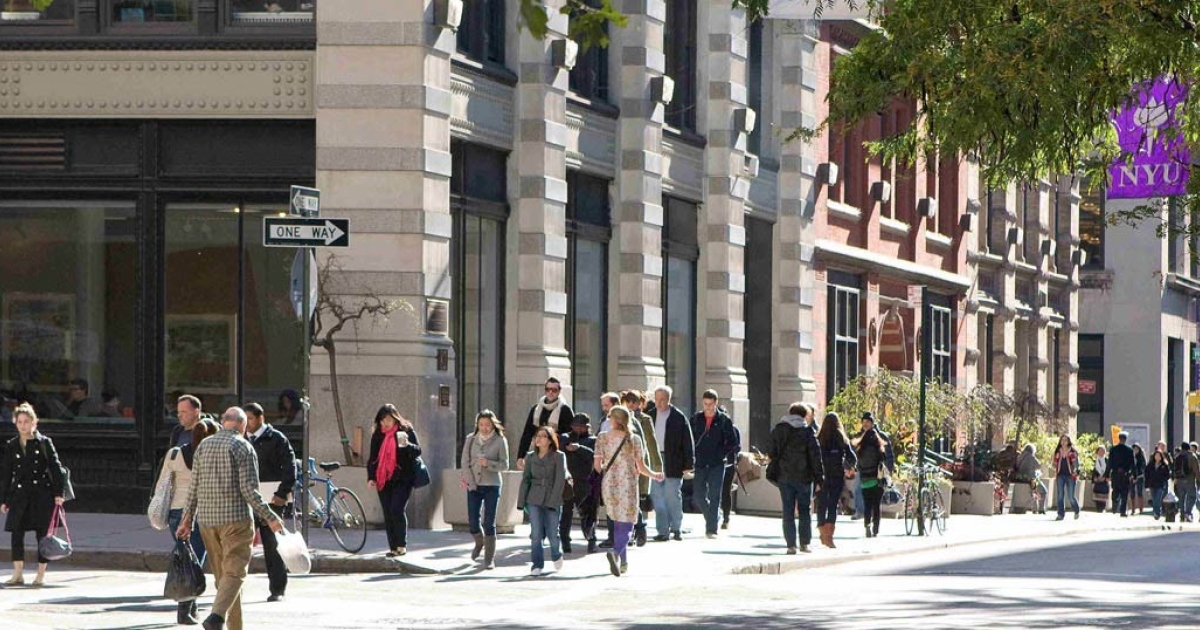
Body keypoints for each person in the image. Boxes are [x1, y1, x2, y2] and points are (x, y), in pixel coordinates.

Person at [176, 407, 283, 630]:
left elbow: (193, 487)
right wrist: (270, 517)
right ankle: (216, 617)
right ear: (243, 426)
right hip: (236, 520)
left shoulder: (204, 445)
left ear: (224, 422)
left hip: (207, 521)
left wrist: (187, 520)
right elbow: (249, 490)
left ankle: (235, 626)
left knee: (225, 579)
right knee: (235, 573)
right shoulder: (243, 446)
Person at [157, 417, 219, 623]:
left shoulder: (174, 453)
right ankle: (185, 609)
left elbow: (163, 482)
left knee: (186, 557)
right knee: (194, 560)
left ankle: (191, 606)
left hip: (176, 510)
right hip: (201, 510)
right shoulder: (213, 455)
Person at [0, 404, 66, 588]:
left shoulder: (44, 443)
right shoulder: (12, 445)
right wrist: (4, 499)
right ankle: (18, 573)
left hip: (42, 495)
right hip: (19, 495)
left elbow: (55, 468)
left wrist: (58, 494)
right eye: (19, 422)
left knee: (42, 536)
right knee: (16, 534)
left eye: (26, 422)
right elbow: (6, 474)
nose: (22, 426)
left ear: (34, 422)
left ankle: (40, 574)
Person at [593, 405, 663, 576]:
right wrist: (655, 475)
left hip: (609, 483)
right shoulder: (634, 439)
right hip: (628, 484)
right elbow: (641, 466)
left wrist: (607, 468)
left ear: (616, 419)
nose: (608, 419)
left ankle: (622, 562)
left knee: (617, 523)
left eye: (610, 416)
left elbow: (597, 466)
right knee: (627, 524)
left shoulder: (602, 438)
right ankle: (616, 553)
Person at [245, 402, 295, 602]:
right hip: (248, 499)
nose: (246, 424)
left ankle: (277, 589)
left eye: (249, 419)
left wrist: (282, 494)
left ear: (260, 418)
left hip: (272, 500)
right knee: (240, 545)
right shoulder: (242, 439)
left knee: (272, 546)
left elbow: (290, 467)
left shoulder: (276, 439)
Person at [768, 402, 824, 554]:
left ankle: (790, 545)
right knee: (804, 510)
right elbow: (815, 456)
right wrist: (820, 478)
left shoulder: (779, 429)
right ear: (804, 415)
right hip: (804, 477)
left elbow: (771, 452)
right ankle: (804, 543)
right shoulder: (807, 431)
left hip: (784, 476)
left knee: (787, 510)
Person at [366, 404, 421, 557]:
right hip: (384, 478)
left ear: (395, 418)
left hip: (403, 478)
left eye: (388, 419)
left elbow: (418, 451)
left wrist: (406, 445)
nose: (386, 423)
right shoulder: (378, 434)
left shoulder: (405, 430)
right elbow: (372, 458)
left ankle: (401, 545)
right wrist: (371, 477)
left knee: (397, 509)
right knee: (388, 512)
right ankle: (393, 547)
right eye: (382, 420)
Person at [517, 426, 569, 577]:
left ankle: (556, 554)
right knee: (536, 534)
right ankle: (537, 564)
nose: (538, 439)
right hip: (534, 498)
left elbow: (560, 479)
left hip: (552, 498)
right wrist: (521, 501)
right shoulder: (530, 456)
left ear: (550, 440)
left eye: (543, 436)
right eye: (537, 436)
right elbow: (526, 480)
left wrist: (553, 501)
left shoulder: (559, 456)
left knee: (553, 534)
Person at [459, 409, 508, 569]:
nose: (484, 428)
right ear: (477, 425)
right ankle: (479, 542)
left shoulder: (500, 440)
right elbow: (465, 463)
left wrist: (489, 464)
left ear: (493, 424)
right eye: (481, 424)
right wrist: (470, 482)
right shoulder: (470, 439)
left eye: (487, 425)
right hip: (474, 485)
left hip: (492, 485)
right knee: (473, 521)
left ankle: (489, 559)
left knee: (489, 522)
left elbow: (505, 465)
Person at [688, 390, 739, 539]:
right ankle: (714, 515)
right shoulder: (696, 419)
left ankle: (711, 529)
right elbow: (690, 439)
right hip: (700, 462)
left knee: (715, 495)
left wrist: (722, 453)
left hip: (717, 463)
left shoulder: (724, 420)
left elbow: (733, 443)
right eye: (705, 404)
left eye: (711, 404)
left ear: (716, 403)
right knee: (698, 495)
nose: (708, 407)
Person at [648, 385, 694, 542]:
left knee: (672, 495)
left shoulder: (678, 417)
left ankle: (676, 527)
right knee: (657, 496)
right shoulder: (650, 416)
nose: (659, 403)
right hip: (654, 460)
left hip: (673, 461)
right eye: (657, 399)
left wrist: (688, 464)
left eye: (662, 400)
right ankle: (662, 531)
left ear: (669, 400)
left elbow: (687, 442)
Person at [621, 389, 660, 545]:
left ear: (640, 403)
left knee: (634, 500)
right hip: (620, 467)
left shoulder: (644, 420)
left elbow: (650, 443)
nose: (631, 405)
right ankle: (631, 531)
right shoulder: (616, 417)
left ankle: (638, 528)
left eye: (635, 402)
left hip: (638, 464)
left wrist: (656, 466)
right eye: (628, 401)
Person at [516, 377, 575, 471]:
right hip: (538, 451)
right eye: (548, 389)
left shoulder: (565, 410)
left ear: (559, 391)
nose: (550, 392)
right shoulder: (536, 409)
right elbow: (527, 433)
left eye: (554, 390)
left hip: (556, 453)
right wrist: (521, 456)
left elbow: (571, 434)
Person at [816, 412, 855, 548]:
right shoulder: (841, 438)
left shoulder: (820, 438)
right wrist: (848, 467)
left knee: (821, 504)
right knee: (833, 505)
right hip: (837, 475)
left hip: (822, 475)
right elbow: (852, 457)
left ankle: (822, 531)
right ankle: (829, 536)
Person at [559, 414, 597, 554]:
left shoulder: (593, 440)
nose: (579, 429)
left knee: (588, 514)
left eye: (582, 427)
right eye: (576, 426)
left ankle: (591, 539)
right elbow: (558, 450)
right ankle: (565, 542)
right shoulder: (565, 437)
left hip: (586, 482)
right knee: (565, 514)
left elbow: (595, 456)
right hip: (568, 482)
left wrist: (579, 448)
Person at [853, 416, 888, 539]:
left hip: (864, 480)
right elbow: (884, 461)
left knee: (867, 504)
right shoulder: (879, 448)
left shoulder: (860, 448)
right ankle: (875, 529)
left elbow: (858, 464)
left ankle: (867, 525)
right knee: (876, 505)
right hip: (877, 480)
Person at [1051, 435, 1081, 520]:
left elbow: (1076, 464)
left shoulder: (1072, 451)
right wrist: (1055, 462)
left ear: (1068, 441)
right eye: (1062, 440)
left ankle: (1076, 510)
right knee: (1060, 495)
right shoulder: (1058, 451)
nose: (1063, 442)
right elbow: (1054, 464)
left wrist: (1075, 471)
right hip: (1060, 475)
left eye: (1065, 440)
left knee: (1071, 496)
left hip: (1070, 476)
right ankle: (1060, 514)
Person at [720, 421, 742, 531]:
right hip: (718, 463)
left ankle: (726, 517)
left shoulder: (733, 429)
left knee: (725, 490)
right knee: (722, 491)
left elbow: (737, 447)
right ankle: (723, 517)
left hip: (728, 464)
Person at [1107, 432, 1135, 517]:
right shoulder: (1129, 450)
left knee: (1115, 490)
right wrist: (1134, 474)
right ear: (1125, 439)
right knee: (1124, 493)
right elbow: (1132, 464)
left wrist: (1106, 474)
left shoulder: (1113, 449)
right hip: (1125, 474)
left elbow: (1109, 463)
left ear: (1119, 439)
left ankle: (1115, 505)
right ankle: (1123, 511)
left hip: (1115, 473)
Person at [1014, 444, 1046, 514]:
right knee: (1043, 491)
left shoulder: (1019, 456)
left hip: (1020, 478)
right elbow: (1038, 465)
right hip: (1031, 479)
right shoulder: (1031, 457)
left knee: (1033, 491)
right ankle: (1041, 509)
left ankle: (1035, 508)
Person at [1172, 440, 1200, 522]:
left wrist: (1175, 479)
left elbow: (1174, 468)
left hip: (1179, 480)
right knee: (1192, 497)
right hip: (1190, 480)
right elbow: (1196, 469)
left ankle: (1182, 514)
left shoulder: (1178, 456)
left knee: (1181, 498)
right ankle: (1188, 512)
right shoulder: (1192, 456)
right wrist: (1198, 478)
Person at [1146, 449, 1171, 520]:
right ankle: (1156, 512)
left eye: (1159, 456)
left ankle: (1157, 513)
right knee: (1154, 500)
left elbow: (1168, 475)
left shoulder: (1164, 465)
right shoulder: (1150, 465)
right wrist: (1146, 486)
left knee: (1158, 499)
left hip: (1160, 485)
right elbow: (1147, 475)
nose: (1157, 457)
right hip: (1152, 485)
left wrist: (1163, 479)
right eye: (1156, 456)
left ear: (1161, 457)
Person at [1130, 443, 1147, 515]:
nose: (1135, 450)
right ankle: (1133, 509)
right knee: (1132, 493)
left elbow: (1143, 468)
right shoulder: (1130, 457)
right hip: (1131, 477)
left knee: (1140, 493)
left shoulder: (1141, 457)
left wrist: (1137, 477)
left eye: (1136, 449)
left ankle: (1140, 509)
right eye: (1134, 449)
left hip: (1140, 477)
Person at [1091, 446, 1109, 513]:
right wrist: (1095, 478)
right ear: (1097, 452)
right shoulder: (1095, 460)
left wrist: (1106, 477)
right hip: (1097, 479)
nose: (1102, 452)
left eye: (1103, 450)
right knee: (1097, 493)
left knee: (1103, 493)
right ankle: (1098, 508)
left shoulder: (1107, 460)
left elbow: (1109, 470)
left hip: (1104, 479)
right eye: (1100, 450)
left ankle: (1103, 508)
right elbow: (1093, 470)